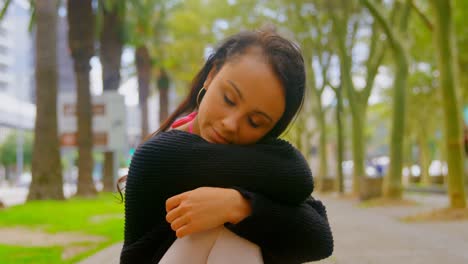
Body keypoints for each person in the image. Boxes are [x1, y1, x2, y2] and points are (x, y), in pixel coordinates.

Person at [119, 28, 334, 264]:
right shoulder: (162, 155)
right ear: (211, 75)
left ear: (270, 131)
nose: (231, 124)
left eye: (255, 122)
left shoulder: (252, 165)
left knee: (235, 227)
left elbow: (319, 238)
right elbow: (296, 174)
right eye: (229, 99)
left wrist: (239, 207)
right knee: (218, 229)